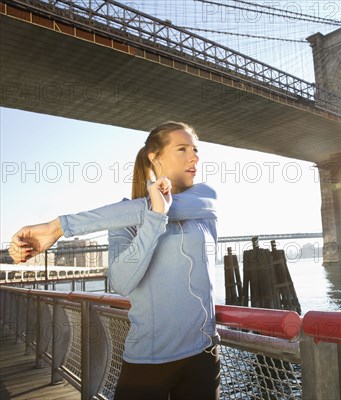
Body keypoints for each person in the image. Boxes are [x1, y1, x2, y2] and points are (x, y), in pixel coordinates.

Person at [9, 122, 220, 400]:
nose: (194, 157)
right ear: (153, 157)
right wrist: (155, 219)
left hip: (203, 357)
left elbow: (150, 208)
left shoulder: (205, 198)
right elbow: (121, 282)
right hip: (147, 361)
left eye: (195, 149)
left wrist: (58, 227)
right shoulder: (123, 221)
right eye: (182, 149)